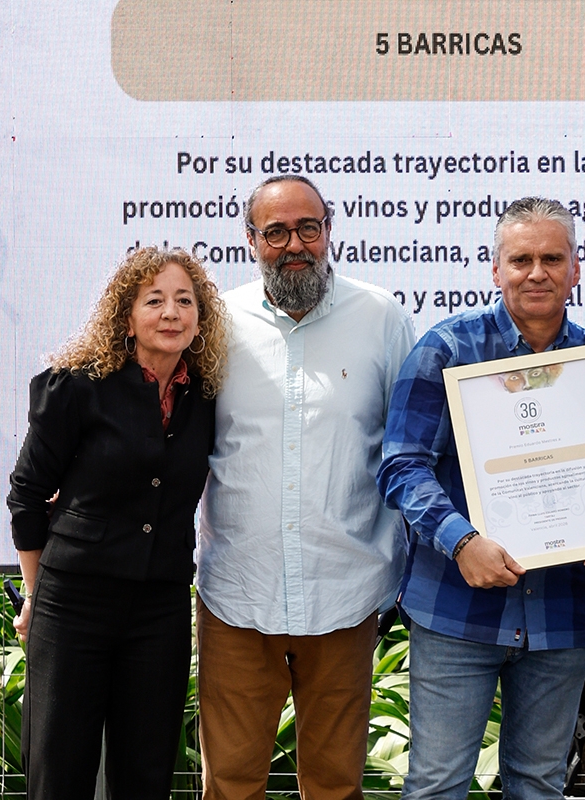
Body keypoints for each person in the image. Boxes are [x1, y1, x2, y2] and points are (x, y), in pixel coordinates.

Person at [378, 197, 585, 799]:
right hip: (456, 608)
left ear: (576, 269)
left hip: (557, 613)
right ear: (495, 269)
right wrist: (463, 542)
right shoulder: (447, 349)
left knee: (539, 785)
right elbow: (402, 465)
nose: (537, 272)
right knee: (437, 785)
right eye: (521, 259)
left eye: (552, 258)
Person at [196, 175, 415, 800]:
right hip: (238, 593)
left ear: (329, 231)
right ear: (251, 239)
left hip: (344, 592)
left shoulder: (383, 319)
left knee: (335, 784)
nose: (294, 244)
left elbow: (413, 445)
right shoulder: (217, 323)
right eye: (276, 232)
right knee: (231, 784)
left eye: (308, 228)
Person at [7, 246, 229, 800]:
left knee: (146, 775)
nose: (171, 312)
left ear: (201, 319)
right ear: (126, 316)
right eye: (154, 301)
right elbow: (27, 497)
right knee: (60, 774)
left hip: (160, 609)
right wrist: (37, 595)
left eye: (184, 300)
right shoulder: (78, 387)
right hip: (72, 602)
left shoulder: (206, 397)